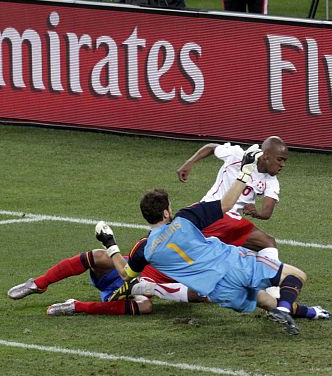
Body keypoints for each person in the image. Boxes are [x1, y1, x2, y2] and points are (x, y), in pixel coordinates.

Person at [97, 149, 313, 335]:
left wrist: (110, 243)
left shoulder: (144, 249)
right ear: (166, 212)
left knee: (267, 302)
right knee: (296, 276)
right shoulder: (185, 218)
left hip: (216, 290)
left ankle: (309, 312)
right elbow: (227, 204)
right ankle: (285, 311)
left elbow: (125, 274)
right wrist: (245, 173)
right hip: (233, 265)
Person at [176, 137, 287, 261]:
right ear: (266, 156)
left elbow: (267, 212)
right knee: (268, 243)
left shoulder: (271, 181)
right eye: (279, 160)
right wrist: (189, 163)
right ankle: (271, 277)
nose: (282, 165)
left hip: (227, 221)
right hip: (211, 210)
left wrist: (257, 213)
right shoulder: (237, 155)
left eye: (284, 161)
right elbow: (211, 147)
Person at [7, 246, 203, 316]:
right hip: (122, 270)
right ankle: (39, 283)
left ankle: (76, 306)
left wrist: (210, 293)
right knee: (99, 256)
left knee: (145, 307)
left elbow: (194, 295)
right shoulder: (173, 248)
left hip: (133, 290)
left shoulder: (192, 276)